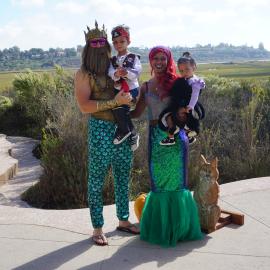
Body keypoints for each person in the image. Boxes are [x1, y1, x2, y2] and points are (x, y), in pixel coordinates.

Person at [74, 21, 140, 246]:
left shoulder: (116, 66)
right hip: (100, 129)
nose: (100, 47)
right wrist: (114, 102)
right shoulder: (83, 74)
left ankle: (123, 220)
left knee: (123, 174)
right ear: (88, 47)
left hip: (122, 127)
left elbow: (132, 88)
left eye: (103, 42)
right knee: (97, 179)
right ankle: (97, 228)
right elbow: (84, 106)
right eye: (95, 43)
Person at [131, 46, 203, 247]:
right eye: (156, 58)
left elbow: (191, 101)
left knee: (177, 183)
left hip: (175, 138)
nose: (159, 62)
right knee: (159, 184)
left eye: (163, 58)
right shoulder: (145, 87)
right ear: (151, 62)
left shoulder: (177, 83)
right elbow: (136, 113)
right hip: (155, 138)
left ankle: (180, 230)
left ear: (169, 60)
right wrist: (115, 109)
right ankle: (162, 229)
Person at [159, 52, 205, 146]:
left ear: (194, 67)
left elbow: (195, 95)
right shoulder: (182, 81)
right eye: (181, 71)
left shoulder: (196, 82)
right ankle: (172, 136)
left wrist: (190, 106)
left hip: (189, 105)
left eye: (187, 69)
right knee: (168, 116)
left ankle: (189, 132)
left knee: (189, 119)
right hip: (180, 104)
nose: (184, 73)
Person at [108, 24, 141, 151]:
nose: (119, 44)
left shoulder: (133, 57)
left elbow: (137, 71)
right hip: (118, 88)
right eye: (115, 42)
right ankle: (132, 134)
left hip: (131, 88)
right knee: (118, 109)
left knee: (121, 108)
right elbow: (110, 72)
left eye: (122, 41)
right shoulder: (113, 59)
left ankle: (124, 130)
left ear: (128, 41)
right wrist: (116, 74)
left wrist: (127, 73)